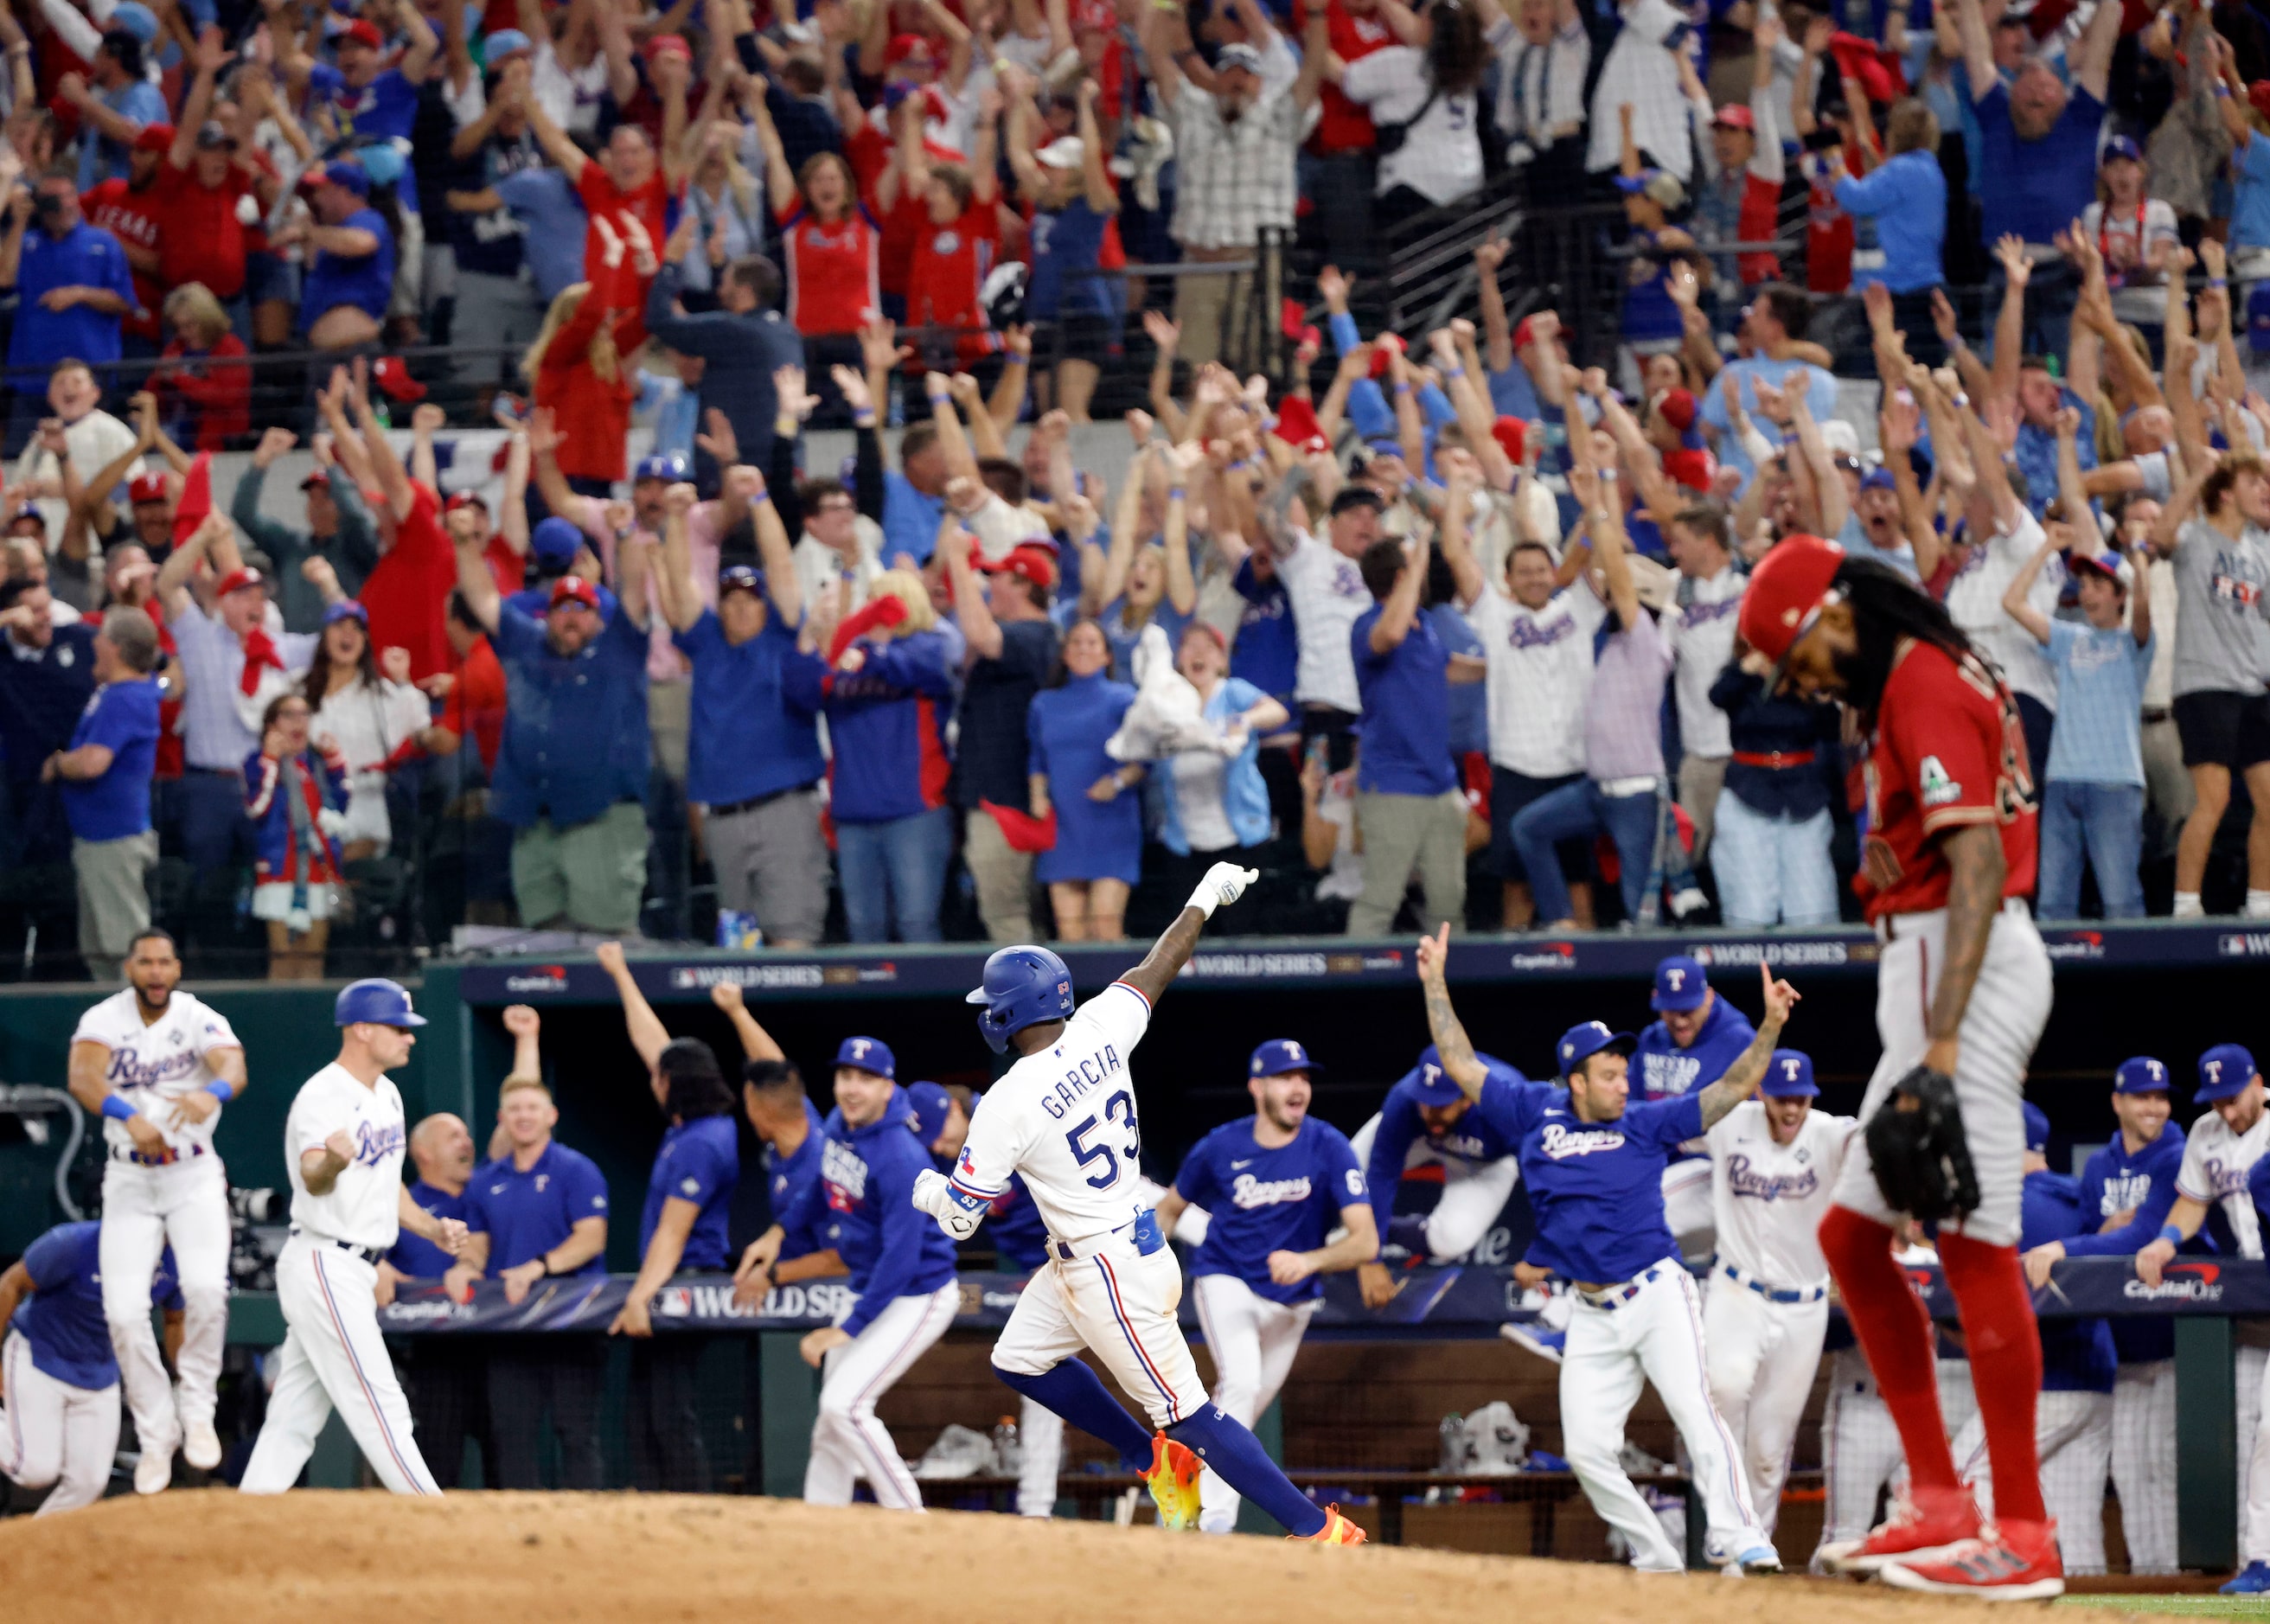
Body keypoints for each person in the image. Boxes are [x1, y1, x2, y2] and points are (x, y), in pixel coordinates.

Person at [1742, 535, 2061, 1597]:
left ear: (1836, 616)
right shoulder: (1919, 674)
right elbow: (1940, 847)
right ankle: (1938, 1502)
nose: (1805, 686)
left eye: (1801, 661)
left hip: (1963, 982)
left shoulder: (1919, 681)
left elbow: (1976, 862)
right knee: (1852, 1237)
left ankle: (2022, 1532)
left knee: (1977, 1247)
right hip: (1929, 967)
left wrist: (1941, 1045)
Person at [911, 877, 1366, 1544]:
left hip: (1108, 1271)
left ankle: (1317, 1528)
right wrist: (1204, 899)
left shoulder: (1006, 1100)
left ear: (1006, 1013)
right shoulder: (1101, 1023)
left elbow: (957, 1218)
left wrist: (923, 1184)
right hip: (1115, 1247)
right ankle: (1151, 1459)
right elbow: (1160, 963)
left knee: (1192, 1415)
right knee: (1018, 1359)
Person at [1415, 925, 1792, 1572]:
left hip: (1655, 1294)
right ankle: (1655, 1555)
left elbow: (1727, 1091)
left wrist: (1771, 1026)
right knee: (1589, 1451)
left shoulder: (1646, 1121)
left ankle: (1743, 1535)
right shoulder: (1537, 1111)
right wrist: (1434, 984)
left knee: (1698, 1415)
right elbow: (1460, 1062)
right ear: (1577, 1081)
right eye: (1611, 1075)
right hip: (1590, 1313)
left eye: (1624, 1072)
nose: (1624, 1084)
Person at [240, 980, 468, 1495]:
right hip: (326, 1259)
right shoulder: (324, 1094)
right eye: (399, 1028)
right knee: (380, 1402)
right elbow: (314, 1175)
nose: (410, 1038)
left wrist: (433, 1227)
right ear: (362, 1030)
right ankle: (434, 1517)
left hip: (351, 1264)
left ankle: (252, 1511)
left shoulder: (386, 1093)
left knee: (295, 1415)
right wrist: (333, 1162)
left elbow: (386, 1187)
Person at [1152, 1039, 1377, 1534]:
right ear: (1258, 1087)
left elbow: (1365, 1240)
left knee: (1241, 1413)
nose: (1298, 1086)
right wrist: (1143, 1269)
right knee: (1242, 1383)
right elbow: (1168, 1212)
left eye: (1304, 1077)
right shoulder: (1220, 1146)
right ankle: (1213, 1523)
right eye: (1285, 1076)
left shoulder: (1328, 1145)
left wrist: (1311, 1259)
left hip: (1292, 1302)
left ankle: (1180, 1468)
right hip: (1225, 1276)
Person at [62, 929, 244, 1495]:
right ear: (130, 967)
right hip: (130, 1176)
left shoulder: (195, 1015)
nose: (157, 971)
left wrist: (212, 1092)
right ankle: (156, 1431)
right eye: (146, 962)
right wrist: (124, 1111)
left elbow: (231, 1066)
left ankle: (196, 1408)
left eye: (166, 962)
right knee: (122, 1312)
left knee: (206, 1290)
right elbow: (83, 1075)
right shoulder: (106, 1017)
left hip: (192, 1172)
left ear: (177, 967)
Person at [770, 1036, 956, 1512]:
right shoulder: (839, 1123)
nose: (853, 1088)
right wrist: (777, 1232)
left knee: (845, 1406)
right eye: (845, 1076)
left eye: (866, 1079)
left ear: (888, 1086)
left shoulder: (902, 1156)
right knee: (831, 1418)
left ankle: (910, 1518)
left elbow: (902, 1257)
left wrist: (847, 1328)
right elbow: (819, 1185)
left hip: (918, 1292)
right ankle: (823, 1520)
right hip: (870, 1285)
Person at [451, 508, 655, 936]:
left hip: (599, 816)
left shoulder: (617, 650)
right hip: (534, 817)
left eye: (583, 609)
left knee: (608, 941)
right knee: (546, 946)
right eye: (563, 608)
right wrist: (464, 545)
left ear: (598, 617)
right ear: (550, 615)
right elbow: (483, 598)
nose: (572, 618)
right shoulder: (528, 644)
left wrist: (625, 533)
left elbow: (635, 591)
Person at [2019, 1058, 2179, 1576]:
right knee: (2132, 1474)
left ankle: (2182, 1581)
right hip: (2128, 1354)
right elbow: (2099, 1245)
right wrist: (2099, 1235)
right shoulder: (2098, 1168)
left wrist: (2066, 1244)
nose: (2152, 1106)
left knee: (2169, 1471)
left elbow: (2142, 1237)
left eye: (2160, 1096)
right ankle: (2155, 1586)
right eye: (2141, 1097)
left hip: (2184, 1345)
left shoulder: (2176, 1156)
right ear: (2118, 1102)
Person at [1947, 1103, 2117, 1577]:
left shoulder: (2016, 1205)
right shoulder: (2078, 1194)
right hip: (2096, 1379)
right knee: (2078, 1525)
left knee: (1962, 1478)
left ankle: (1995, 1583)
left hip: (2048, 1384)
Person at [659, 476, 828, 950]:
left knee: (793, 936)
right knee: (739, 946)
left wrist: (759, 499)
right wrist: (675, 519)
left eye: (750, 600)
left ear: (764, 605)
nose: (739, 608)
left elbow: (780, 562)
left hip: (784, 806)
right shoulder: (707, 643)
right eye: (730, 600)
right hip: (723, 816)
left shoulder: (780, 636)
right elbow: (679, 580)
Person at [2130, 1046, 2270, 1589]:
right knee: (2257, 1438)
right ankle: (2260, 1560)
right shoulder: (2207, 1131)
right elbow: (2191, 1201)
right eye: (2216, 1101)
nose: (2227, 1112)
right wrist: (2166, 1240)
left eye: (2234, 1098)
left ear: (2259, 1083)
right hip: (2254, 1298)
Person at [1701, 1047, 1856, 1538]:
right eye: (1783, 1098)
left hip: (1803, 1308)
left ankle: (1751, 1546)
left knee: (1769, 1449)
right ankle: (1724, 1532)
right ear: (1762, 1092)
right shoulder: (1730, 1123)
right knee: (1721, 1393)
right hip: (1736, 1292)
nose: (1792, 1110)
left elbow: (1879, 1137)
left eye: (1801, 1099)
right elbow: (1670, 1122)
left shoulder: (1830, 1133)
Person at [446, 1060, 610, 1491]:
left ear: (551, 1115)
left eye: (533, 1107)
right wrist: (464, 1267)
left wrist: (538, 1266)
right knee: (512, 1439)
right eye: (514, 1109)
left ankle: (584, 1530)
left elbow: (592, 1238)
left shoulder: (577, 1169)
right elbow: (479, 1244)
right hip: (509, 1327)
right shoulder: (483, 1182)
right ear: (502, 1119)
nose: (524, 1116)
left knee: (575, 1436)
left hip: (572, 1322)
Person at [606, 1024, 741, 1493]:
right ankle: (653, 1516)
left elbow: (673, 1230)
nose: (652, 1081)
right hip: (667, 1282)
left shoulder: (702, 1143)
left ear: (674, 1082)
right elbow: (654, 1048)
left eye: (659, 1076)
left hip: (684, 1284)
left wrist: (640, 1297)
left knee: (668, 1414)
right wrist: (620, 973)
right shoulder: (691, 1129)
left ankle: (694, 1514)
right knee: (640, 1416)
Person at [2001, 542, 2153, 919]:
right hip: (2061, 781)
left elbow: (2144, 612)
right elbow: (2012, 603)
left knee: (2121, 901)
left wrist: (2138, 557)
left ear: (2121, 595)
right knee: (2052, 904)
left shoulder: (2135, 643)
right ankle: (2053, 981)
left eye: (2099, 586)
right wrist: (2046, 549)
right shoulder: (2070, 638)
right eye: (2083, 585)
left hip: (2115, 785)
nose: (2087, 594)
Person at [809, 570, 957, 943]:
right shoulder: (849, 655)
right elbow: (810, 687)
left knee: (916, 923)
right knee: (863, 931)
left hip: (914, 811)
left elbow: (910, 670)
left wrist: (872, 648)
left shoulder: (930, 648)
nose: (875, 610)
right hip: (854, 812)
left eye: (884, 601)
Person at [2152, 453, 2270, 919]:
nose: (2263, 487)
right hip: (2204, 688)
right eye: (2252, 481)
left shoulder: (2258, 552)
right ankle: (2186, 905)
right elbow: (2160, 537)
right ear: (2226, 492)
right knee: (2214, 799)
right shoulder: (2196, 539)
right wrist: (2197, 475)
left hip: (2253, 689)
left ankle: (2261, 904)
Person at [0, 1220, 181, 1514]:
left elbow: (176, 1319)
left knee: (88, 1484)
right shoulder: (74, 1242)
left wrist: (185, 1381)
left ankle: (39, 1551)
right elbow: (11, 1283)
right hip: (40, 1355)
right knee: (34, 1470)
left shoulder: (178, 1261)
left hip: (101, 1372)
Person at [939, 516, 1060, 943]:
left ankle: (1032, 1008)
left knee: (1006, 914)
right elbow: (974, 645)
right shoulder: (1020, 634)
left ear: (1025, 585)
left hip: (1006, 797)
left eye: (998, 578)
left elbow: (981, 635)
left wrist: (957, 560)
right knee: (1018, 912)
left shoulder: (1035, 634)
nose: (989, 585)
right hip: (997, 793)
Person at [1349, 534, 1468, 937]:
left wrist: (1501, 666)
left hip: (1442, 785)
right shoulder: (1368, 625)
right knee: (1379, 901)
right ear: (1402, 575)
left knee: (1449, 903)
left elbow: (1446, 666)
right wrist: (1414, 570)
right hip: (1394, 783)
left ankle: (1449, 991)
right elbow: (1391, 636)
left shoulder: (1426, 624)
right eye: (1417, 560)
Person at [1351, 1044, 1525, 1299]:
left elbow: (1541, 1178)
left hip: (1486, 1163)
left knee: (1451, 1239)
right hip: (1423, 1141)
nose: (1430, 1110)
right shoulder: (1406, 1100)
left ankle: (1365, 1233)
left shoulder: (1507, 1104)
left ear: (1467, 1097)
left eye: (1441, 1104)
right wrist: (1370, 1258)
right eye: (1425, 1100)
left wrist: (1542, 1254)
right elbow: (1382, 1174)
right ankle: (1338, 1237)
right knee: (1347, 1173)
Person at [46, 610, 162, 981]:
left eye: (102, 637)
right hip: (102, 839)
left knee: (127, 950)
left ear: (116, 648)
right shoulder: (122, 691)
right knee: (101, 949)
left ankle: (147, 1033)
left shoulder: (124, 698)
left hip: (113, 840)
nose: (94, 642)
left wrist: (58, 765)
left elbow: (95, 762)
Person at [1148, 623, 1288, 925]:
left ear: (1222, 661)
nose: (1199, 653)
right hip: (1183, 842)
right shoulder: (1165, 703)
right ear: (1179, 658)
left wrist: (1244, 720)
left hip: (1240, 841)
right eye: (1190, 646)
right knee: (1184, 934)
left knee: (1239, 931)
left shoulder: (1233, 692)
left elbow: (1276, 712)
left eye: (1208, 648)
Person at [378, 1109, 486, 1489]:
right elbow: (365, 1250)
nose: (466, 1142)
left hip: (500, 1345)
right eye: (453, 1136)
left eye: (466, 1134)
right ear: (423, 1152)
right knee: (439, 1461)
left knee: (511, 1459)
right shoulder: (403, 1205)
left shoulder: (487, 1191)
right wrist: (378, 1266)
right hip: (434, 1353)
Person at [0, 167, 137, 450]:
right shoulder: (28, 243)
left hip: (89, 378)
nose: (62, 206)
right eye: (52, 200)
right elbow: (5, 278)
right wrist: (19, 222)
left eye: (66, 197)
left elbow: (124, 301)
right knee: (20, 462)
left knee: (96, 460)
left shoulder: (103, 242)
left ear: (76, 197)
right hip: (35, 376)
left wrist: (80, 294)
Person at [1633, 956, 1759, 1260]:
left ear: (1709, 996)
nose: (1680, 1020)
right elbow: (1630, 1111)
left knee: (1634, 1221)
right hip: (1656, 1166)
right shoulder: (1651, 1040)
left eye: (1688, 1010)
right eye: (1671, 1011)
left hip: (1710, 1165)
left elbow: (1752, 1129)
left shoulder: (1738, 1041)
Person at [1027, 618, 1141, 940]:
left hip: (1111, 821)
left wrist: (1117, 781)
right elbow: (1037, 757)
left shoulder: (1124, 698)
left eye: (1092, 643)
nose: (1083, 648)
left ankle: (1124, 992)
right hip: (1063, 823)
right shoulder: (1043, 704)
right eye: (1076, 642)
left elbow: (1146, 756)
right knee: (1070, 932)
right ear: (1064, 654)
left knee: (1104, 926)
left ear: (1107, 656)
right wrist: (1038, 796)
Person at [302, 600, 431, 862]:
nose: (348, 635)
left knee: (341, 877)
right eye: (339, 626)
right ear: (324, 636)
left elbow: (420, 724)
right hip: (309, 810)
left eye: (357, 629)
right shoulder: (297, 688)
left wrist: (403, 679)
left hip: (364, 811)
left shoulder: (379, 694)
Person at [242, 691, 350, 981]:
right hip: (280, 872)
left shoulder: (315, 764)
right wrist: (270, 760)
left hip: (318, 871)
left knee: (314, 960)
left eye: (304, 714)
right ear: (271, 725)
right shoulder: (259, 763)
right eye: (289, 715)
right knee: (283, 959)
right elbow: (257, 809)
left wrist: (336, 763)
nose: (298, 722)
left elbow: (339, 810)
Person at [230, 429, 380, 635]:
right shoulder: (290, 546)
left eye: (325, 497)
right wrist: (261, 460)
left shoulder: (357, 546)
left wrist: (330, 464)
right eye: (312, 498)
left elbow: (355, 516)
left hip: (344, 652)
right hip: (294, 657)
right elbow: (243, 514)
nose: (316, 505)